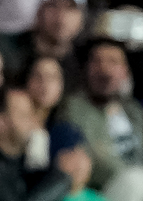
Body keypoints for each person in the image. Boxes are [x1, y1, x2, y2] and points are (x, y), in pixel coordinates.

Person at [58, 37, 143, 189]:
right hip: (98, 192)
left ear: (125, 72)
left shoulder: (133, 111)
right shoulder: (71, 107)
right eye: (97, 61)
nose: (104, 68)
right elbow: (92, 160)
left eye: (113, 62)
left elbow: (136, 153)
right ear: (86, 69)